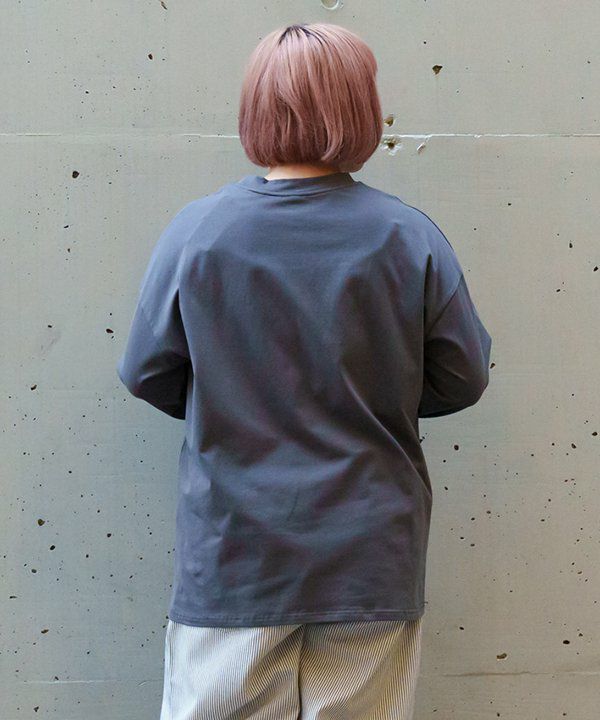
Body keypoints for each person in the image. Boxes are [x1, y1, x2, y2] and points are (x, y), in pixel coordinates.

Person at [116, 22, 492, 720]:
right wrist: (375, 393)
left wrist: (230, 396)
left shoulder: (200, 232)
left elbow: (146, 370)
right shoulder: (408, 237)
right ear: (361, 110)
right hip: (370, 560)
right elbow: (462, 376)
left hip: (234, 557)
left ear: (256, 107)